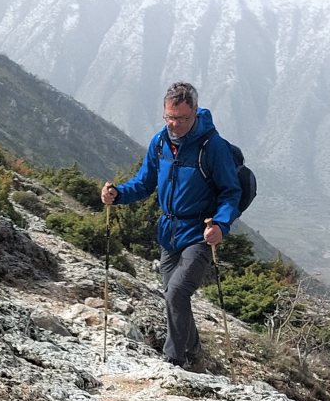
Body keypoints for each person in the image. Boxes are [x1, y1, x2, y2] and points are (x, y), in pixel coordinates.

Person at [101, 81, 242, 368]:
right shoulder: (160, 142)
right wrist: (118, 195)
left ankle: (174, 360)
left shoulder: (212, 146)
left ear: (195, 112)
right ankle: (194, 352)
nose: (174, 125)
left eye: (182, 119)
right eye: (169, 117)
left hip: (199, 233)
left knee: (177, 292)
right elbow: (144, 183)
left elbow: (231, 192)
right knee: (174, 297)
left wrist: (220, 225)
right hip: (168, 233)